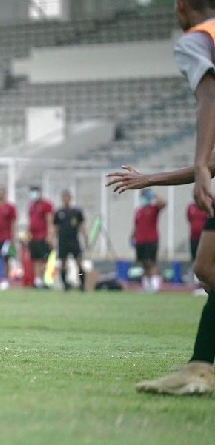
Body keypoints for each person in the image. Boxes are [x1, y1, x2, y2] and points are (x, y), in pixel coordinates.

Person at [105, 0, 215, 395]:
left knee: (209, 266)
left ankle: (200, 367)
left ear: (183, 6)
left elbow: (209, 97)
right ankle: (200, 367)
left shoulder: (198, 39)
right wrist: (153, 177)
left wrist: (201, 164)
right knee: (206, 267)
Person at [131, 189, 166, 293]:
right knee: (144, 263)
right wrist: (132, 237)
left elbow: (164, 203)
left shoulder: (154, 209)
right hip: (140, 241)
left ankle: (155, 286)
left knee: (151, 262)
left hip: (151, 240)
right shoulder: (138, 211)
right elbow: (136, 226)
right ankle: (146, 286)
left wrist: (154, 195)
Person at [53, 190, 88, 292]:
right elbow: (55, 228)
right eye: (64, 197)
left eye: (67, 197)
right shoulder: (59, 212)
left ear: (70, 198)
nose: (65, 199)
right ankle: (65, 283)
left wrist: (85, 237)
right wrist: (52, 240)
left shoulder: (76, 212)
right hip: (62, 241)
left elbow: (82, 226)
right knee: (63, 263)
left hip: (74, 240)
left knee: (79, 263)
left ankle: (82, 282)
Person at [27, 186, 54, 289]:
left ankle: (46, 280)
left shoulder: (46, 205)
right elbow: (31, 222)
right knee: (36, 260)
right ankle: (38, 281)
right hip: (33, 237)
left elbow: (49, 220)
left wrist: (50, 236)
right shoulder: (31, 206)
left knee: (45, 259)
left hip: (43, 237)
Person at [188, 200, 208, 295]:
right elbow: (189, 219)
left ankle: (206, 285)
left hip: (205, 237)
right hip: (193, 238)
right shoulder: (191, 207)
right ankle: (198, 285)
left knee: (205, 261)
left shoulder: (207, 205)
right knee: (195, 261)